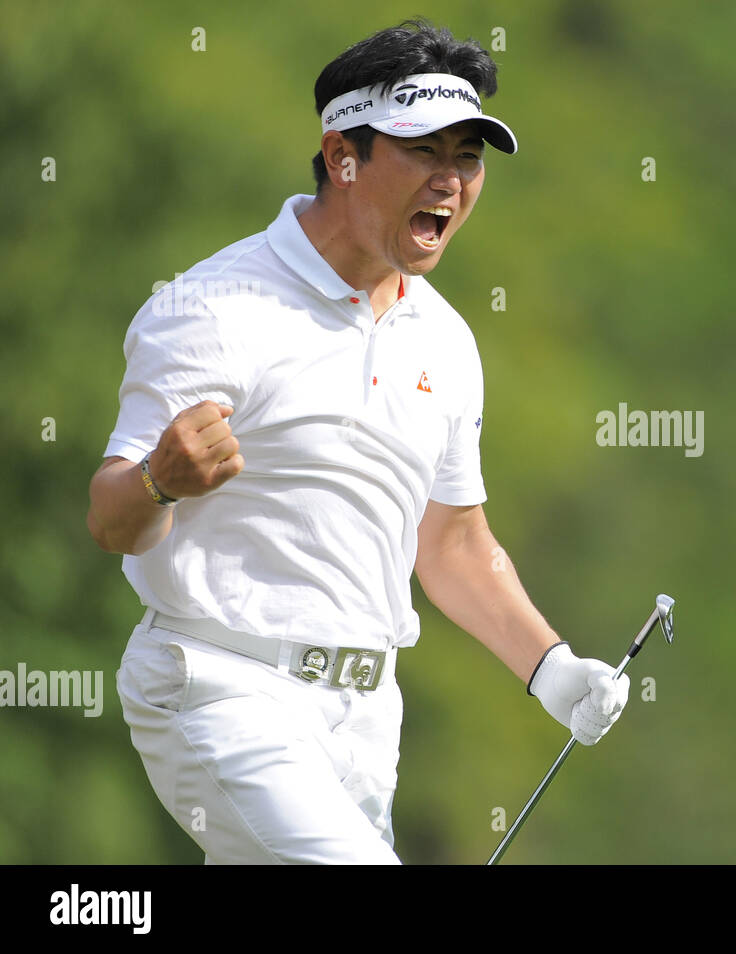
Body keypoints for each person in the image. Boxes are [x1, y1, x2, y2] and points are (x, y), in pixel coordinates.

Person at [87, 20, 629, 864]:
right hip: (220, 686)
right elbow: (111, 515)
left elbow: (451, 541)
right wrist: (160, 482)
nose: (451, 181)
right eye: (424, 152)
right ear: (343, 157)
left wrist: (554, 672)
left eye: (469, 158)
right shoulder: (214, 307)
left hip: (368, 725)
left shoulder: (445, 340)